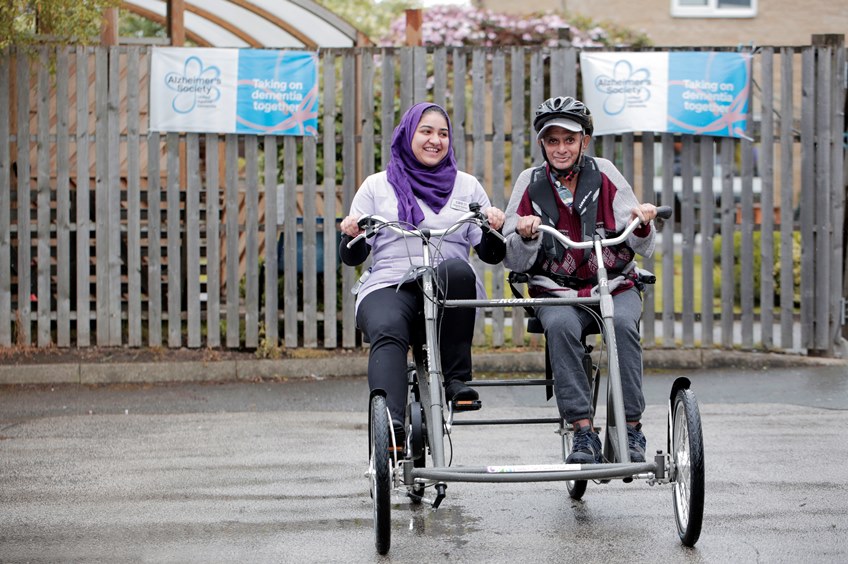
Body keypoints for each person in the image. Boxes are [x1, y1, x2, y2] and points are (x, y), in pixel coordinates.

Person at [502, 96, 658, 464]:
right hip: (556, 290)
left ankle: (631, 428)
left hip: (613, 283)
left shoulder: (604, 173)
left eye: (569, 140)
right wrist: (525, 235)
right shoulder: (530, 181)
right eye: (552, 140)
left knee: (622, 324)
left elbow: (639, 242)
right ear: (542, 143)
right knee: (559, 326)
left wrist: (643, 219)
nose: (561, 148)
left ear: (584, 141)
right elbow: (509, 254)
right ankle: (583, 432)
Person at [339, 102, 506, 444]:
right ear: (407, 135)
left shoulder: (467, 187)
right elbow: (351, 255)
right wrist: (352, 233)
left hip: (446, 287)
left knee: (460, 269)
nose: (435, 140)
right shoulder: (376, 186)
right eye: (426, 132)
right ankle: (391, 426)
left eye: (443, 134)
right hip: (390, 283)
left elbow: (491, 254)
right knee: (387, 328)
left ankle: (457, 381)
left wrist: (493, 228)